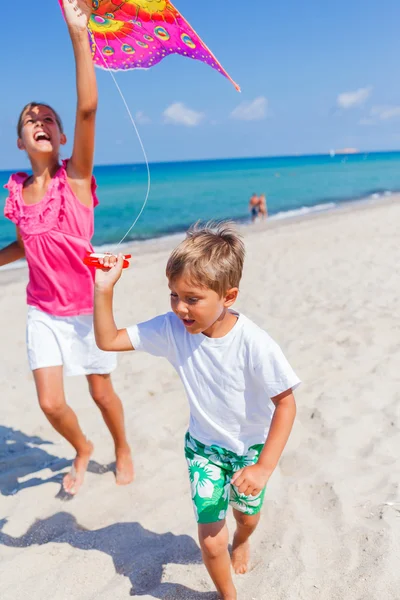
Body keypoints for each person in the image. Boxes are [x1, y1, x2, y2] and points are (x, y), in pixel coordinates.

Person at [93, 222, 300, 599]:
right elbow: (107, 340)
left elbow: (286, 404)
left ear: (228, 295)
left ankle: (244, 538)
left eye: (192, 298)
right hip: (203, 450)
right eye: (173, 295)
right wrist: (104, 288)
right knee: (209, 542)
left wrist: (264, 465)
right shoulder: (172, 329)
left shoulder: (255, 343)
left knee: (247, 517)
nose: (179, 308)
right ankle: (229, 595)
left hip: (250, 450)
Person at [0, 0, 133, 495]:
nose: (41, 120)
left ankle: (121, 444)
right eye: (31, 119)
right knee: (52, 404)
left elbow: (88, 107)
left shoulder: (75, 178)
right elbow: (22, 246)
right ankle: (82, 448)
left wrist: (80, 36)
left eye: (49, 118)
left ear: (58, 135)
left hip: (85, 307)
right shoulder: (14, 190)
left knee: (100, 391)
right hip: (42, 310)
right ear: (20, 141)